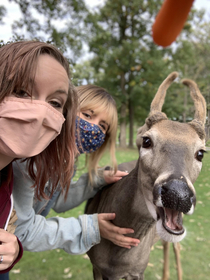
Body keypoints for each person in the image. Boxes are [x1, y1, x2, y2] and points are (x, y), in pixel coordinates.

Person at [12, 85, 140, 258]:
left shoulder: (63, 163)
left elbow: (54, 201)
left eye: (102, 126)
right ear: (66, 110)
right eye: (87, 115)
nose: (92, 128)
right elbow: (21, 231)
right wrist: (89, 228)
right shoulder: (29, 160)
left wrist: (96, 179)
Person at [0, 39, 78, 276]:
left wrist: (13, 250)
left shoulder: (8, 177)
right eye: (22, 92)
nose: (39, 113)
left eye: (54, 102)